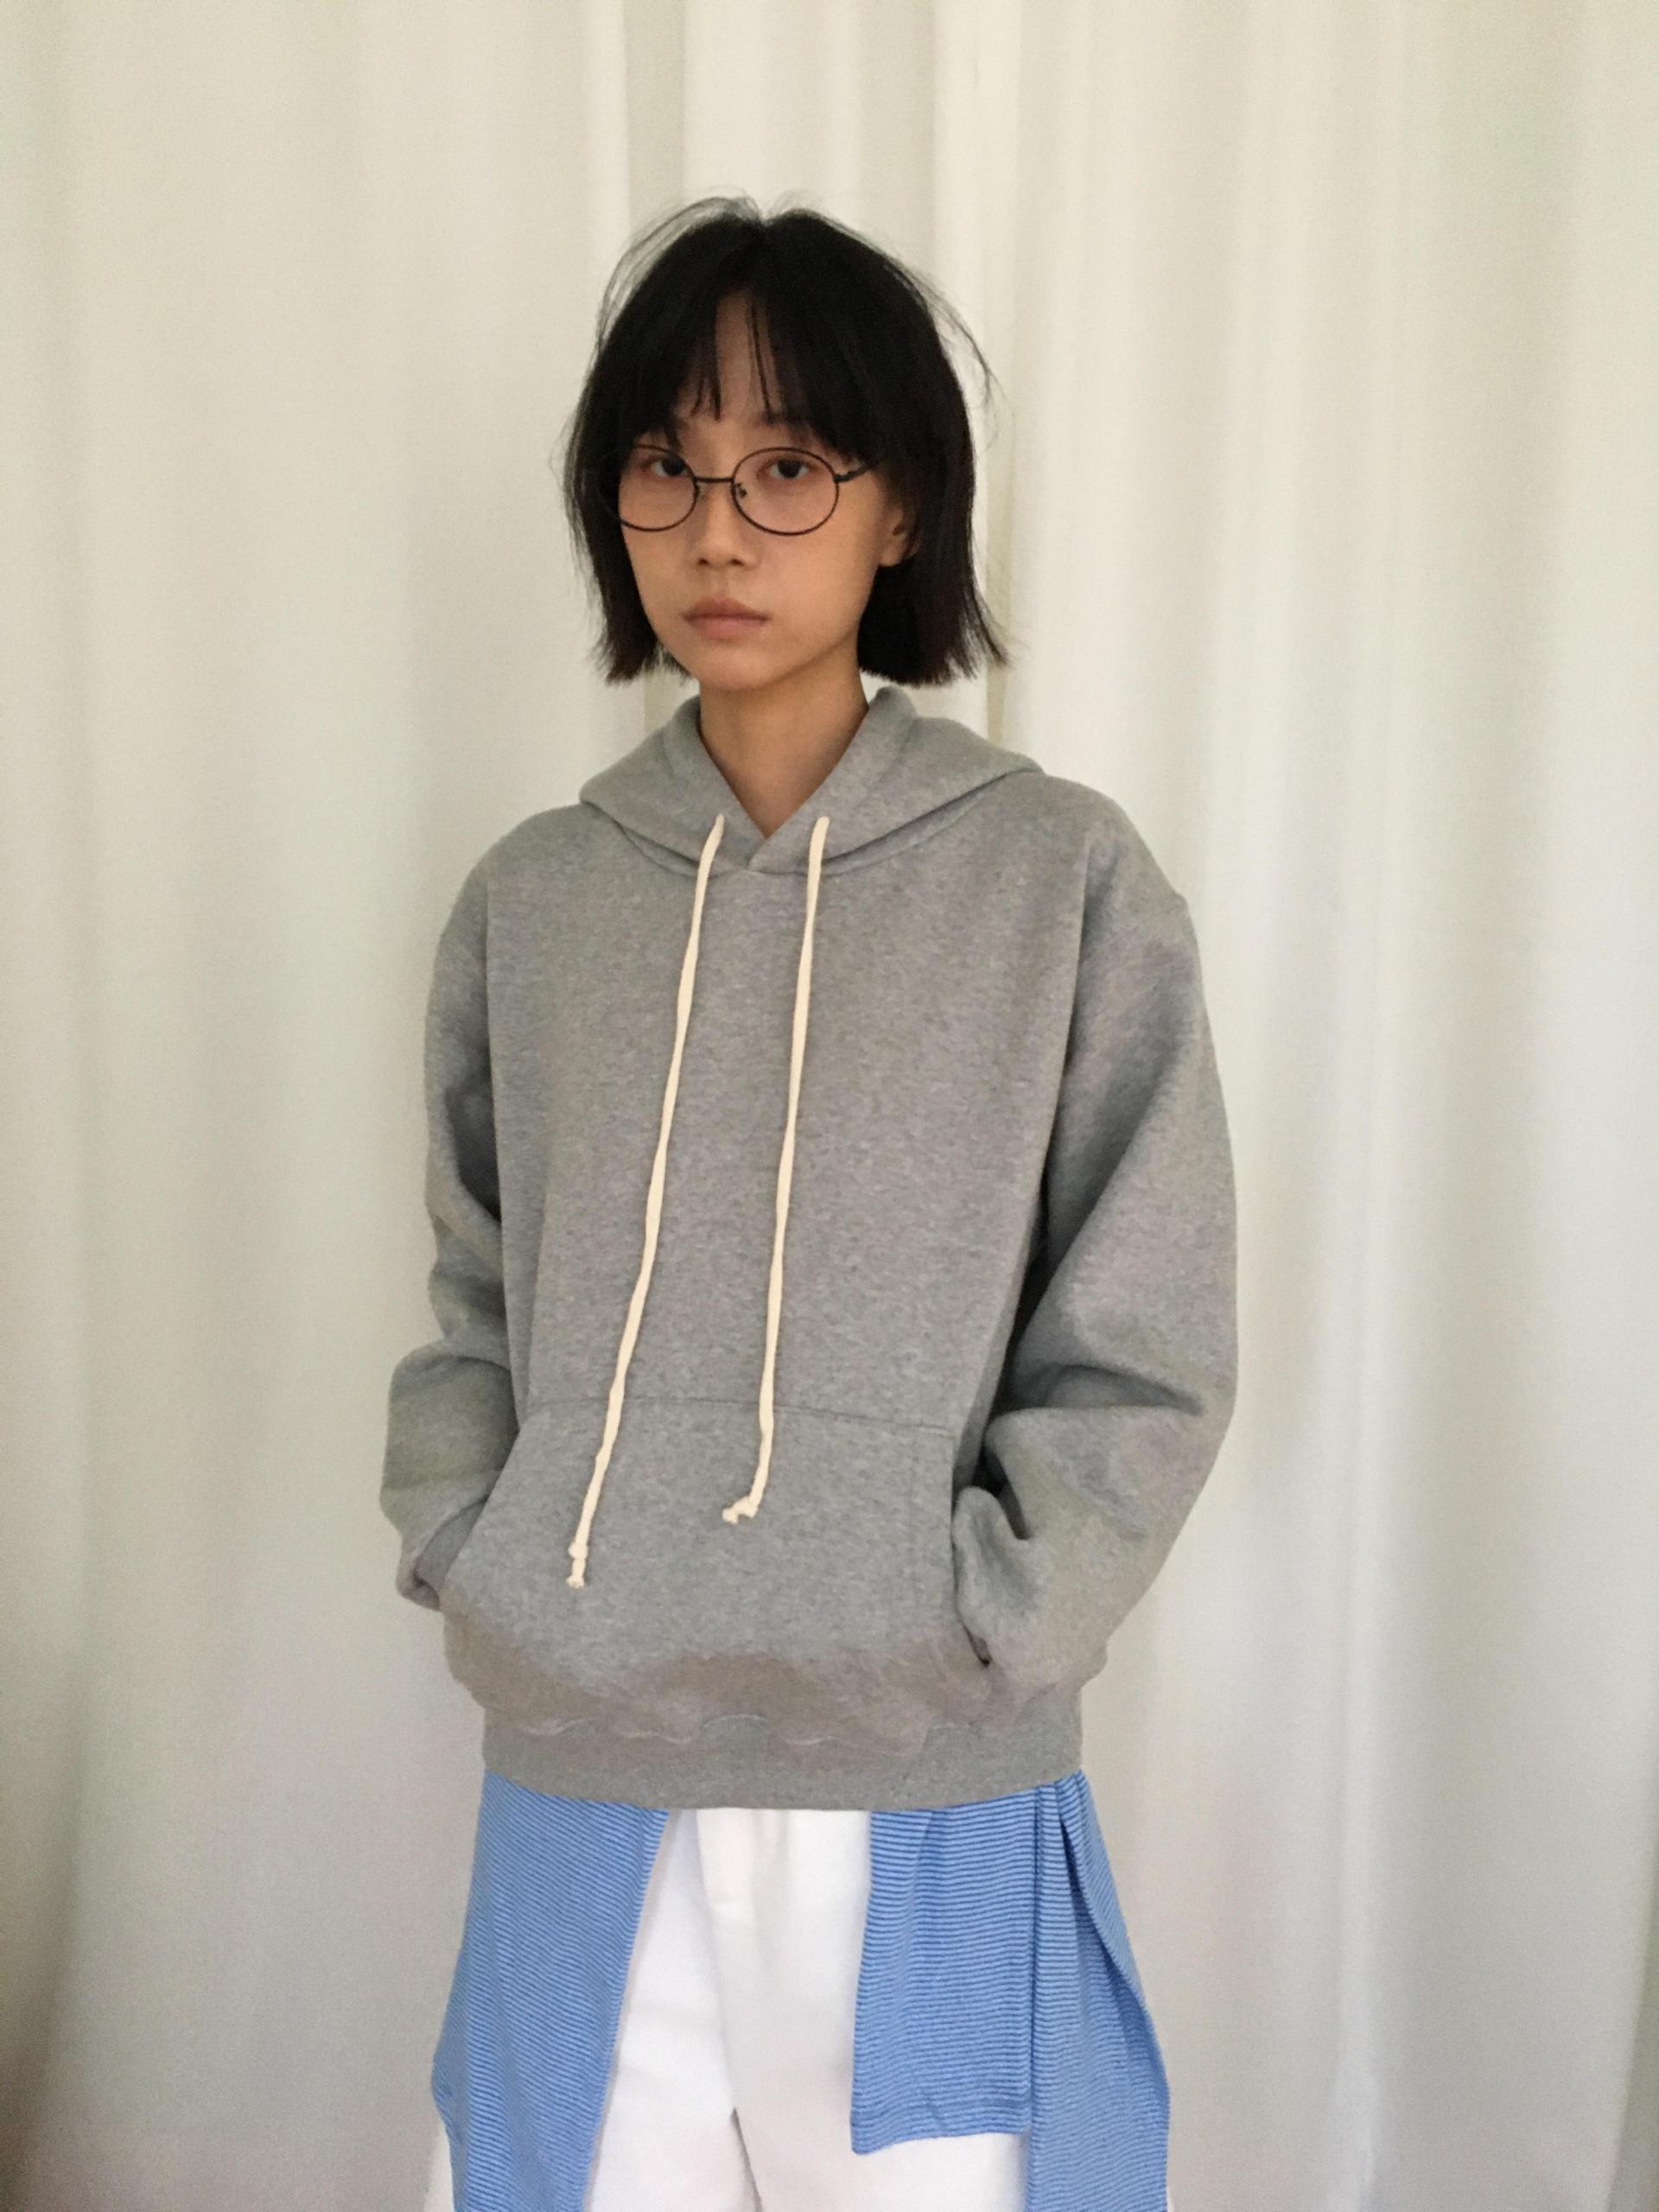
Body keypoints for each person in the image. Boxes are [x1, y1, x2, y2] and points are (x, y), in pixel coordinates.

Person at [381, 194, 1236, 2212]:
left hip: (929, 1794)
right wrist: (476, 1547)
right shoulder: (536, 899)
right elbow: (474, 1294)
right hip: (584, 1779)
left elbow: (1146, 1333)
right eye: (665, 467)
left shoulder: (1060, 878)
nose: (719, 529)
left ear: (901, 505)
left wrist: (989, 1612)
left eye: (787, 466)